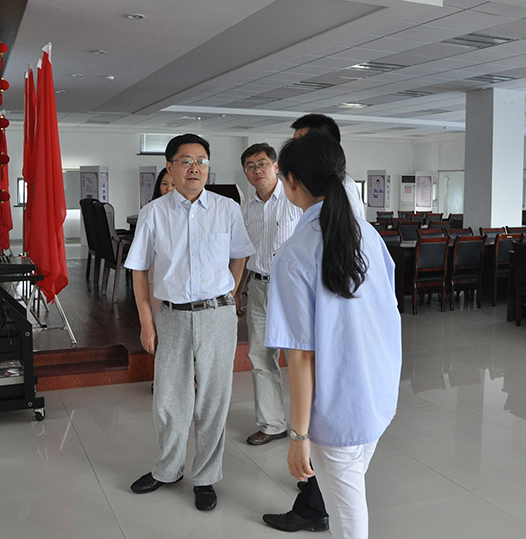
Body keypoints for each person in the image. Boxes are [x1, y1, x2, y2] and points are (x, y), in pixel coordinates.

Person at [265, 132, 401, 539]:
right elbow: (388, 317)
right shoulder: (368, 236)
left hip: (335, 410)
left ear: (291, 181)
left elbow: (301, 355)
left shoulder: (296, 253)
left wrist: (298, 436)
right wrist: (387, 390)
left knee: (347, 517)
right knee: (349, 498)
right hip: (375, 396)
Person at [124, 133, 255, 511]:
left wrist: (229, 294)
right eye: (186, 161)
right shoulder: (153, 213)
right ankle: (167, 470)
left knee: (214, 400)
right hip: (173, 316)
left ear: (208, 167)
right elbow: (138, 270)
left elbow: (240, 255)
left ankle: (206, 477)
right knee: (169, 400)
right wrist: (146, 321)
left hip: (217, 317)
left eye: (201, 161)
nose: (194, 167)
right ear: (170, 167)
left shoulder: (227, 209)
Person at [234, 143, 302, 446]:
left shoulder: (295, 200)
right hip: (259, 288)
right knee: (261, 356)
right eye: (250, 166)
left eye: (262, 163)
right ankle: (272, 424)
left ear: (275, 166)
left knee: (299, 357)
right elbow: (243, 254)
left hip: (293, 289)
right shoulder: (246, 209)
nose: (256, 170)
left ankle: (307, 426)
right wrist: (237, 290)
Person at [290, 113, 365, 220]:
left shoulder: (344, 187)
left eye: (300, 143)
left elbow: (350, 227)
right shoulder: (306, 184)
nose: (294, 150)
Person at [148, 167, 174, 317]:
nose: (168, 188)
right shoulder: (152, 210)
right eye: (164, 184)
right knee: (158, 316)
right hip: (157, 272)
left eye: (173, 184)